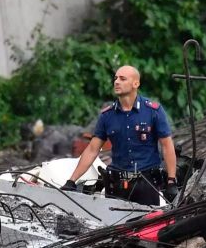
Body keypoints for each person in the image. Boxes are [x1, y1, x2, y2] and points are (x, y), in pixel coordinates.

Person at [61, 66, 178, 205]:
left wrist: (171, 181)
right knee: (116, 225)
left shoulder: (153, 111)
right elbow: (92, 150)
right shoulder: (107, 115)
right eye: (115, 78)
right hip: (116, 185)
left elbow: (167, 146)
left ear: (136, 83)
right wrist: (71, 181)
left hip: (146, 184)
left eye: (122, 79)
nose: (116, 81)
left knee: (147, 223)